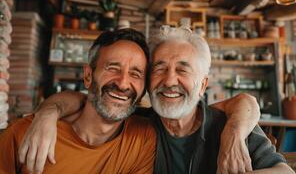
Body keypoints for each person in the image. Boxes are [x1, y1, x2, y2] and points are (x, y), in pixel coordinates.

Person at [15, 27, 275, 173]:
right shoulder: (140, 124)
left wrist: (234, 134)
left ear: (203, 85)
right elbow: (87, 99)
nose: (169, 80)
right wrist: (48, 112)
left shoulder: (229, 125)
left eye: (183, 69)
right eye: (159, 68)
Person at [0, 29, 157, 173]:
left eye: (135, 74)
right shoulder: (26, 133)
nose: (123, 84)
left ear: (144, 89)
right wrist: (48, 112)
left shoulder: (143, 138)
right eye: (112, 68)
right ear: (88, 76)